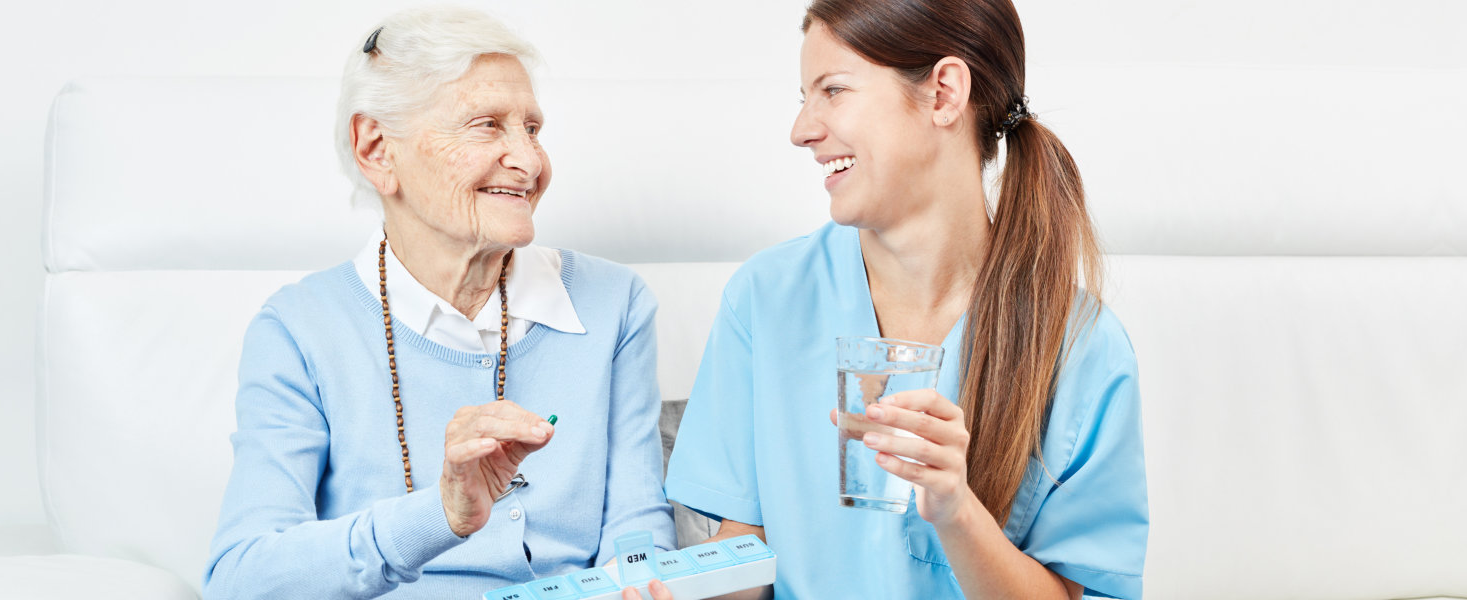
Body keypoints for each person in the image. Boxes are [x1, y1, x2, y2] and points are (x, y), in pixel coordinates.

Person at [662, 0, 1148, 598]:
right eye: (803, 97)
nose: (802, 130)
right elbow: (743, 552)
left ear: (944, 92)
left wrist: (957, 510)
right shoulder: (766, 299)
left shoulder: (1082, 348)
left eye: (833, 90)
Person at [203, 7, 674, 599]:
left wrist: (640, 580)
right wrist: (439, 515)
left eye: (532, 128)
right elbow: (241, 578)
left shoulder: (616, 305)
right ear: (376, 149)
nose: (529, 162)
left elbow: (636, 528)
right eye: (486, 125)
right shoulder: (299, 330)